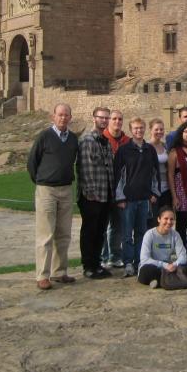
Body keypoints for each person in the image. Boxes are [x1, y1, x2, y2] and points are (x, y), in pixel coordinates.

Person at [27, 103, 79, 290]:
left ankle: (60, 272)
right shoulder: (45, 136)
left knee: (64, 234)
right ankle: (42, 275)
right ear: (53, 117)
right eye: (60, 115)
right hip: (47, 189)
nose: (63, 118)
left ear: (70, 117)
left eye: (66, 115)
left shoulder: (73, 139)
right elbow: (32, 162)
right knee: (45, 234)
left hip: (66, 189)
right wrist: (42, 180)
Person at [114, 117, 160, 277]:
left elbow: (155, 174)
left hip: (144, 199)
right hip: (128, 199)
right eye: (135, 128)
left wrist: (154, 193)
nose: (139, 131)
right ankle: (128, 263)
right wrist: (120, 198)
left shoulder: (150, 150)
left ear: (144, 129)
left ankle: (139, 261)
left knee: (142, 232)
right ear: (131, 130)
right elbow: (118, 176)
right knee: (127, 234)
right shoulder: (124, 150)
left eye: (141, 128)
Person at [76, 106, 115, 280]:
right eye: (101, 118)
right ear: (94, 118)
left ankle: (97, 263)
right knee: (89, 231)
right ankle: (88, 266)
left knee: (100, 231)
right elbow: (85, 169)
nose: (104, 121)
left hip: (105, 194)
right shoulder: (87, 141)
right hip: (92, 195)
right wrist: (90, 193)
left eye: (107, 118)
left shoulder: (104, 141)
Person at [137, 206, 187, 289]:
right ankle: (179, 280)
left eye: (171, 219)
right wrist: (164, 265)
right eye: (166, 219)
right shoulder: (149, 234)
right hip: (156, 267)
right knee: (146, 271)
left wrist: (174, 264)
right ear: (159, 219)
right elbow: (144, 259)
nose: (169, 222)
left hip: (170, 268)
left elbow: (183, 256)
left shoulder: (175, 235)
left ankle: (160, 282)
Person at [101, 109, 128, 269]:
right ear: (109, 121)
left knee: (117, 225)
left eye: (120, 119)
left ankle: (115, 256)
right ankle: (103, 257)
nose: (117, 122)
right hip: (104, 189)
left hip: (121, 191)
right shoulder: (101, 138)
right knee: (103, 226)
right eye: (114, 119)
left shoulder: (126, 141)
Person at [149, 118, 170, 227]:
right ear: (150, 130)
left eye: (161, 129)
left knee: (165, 220)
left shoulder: (165, 146)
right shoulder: (147, 147)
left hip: (166, 188)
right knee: (153, 221)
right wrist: (150, 192)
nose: (159, 132)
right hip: (154, 190)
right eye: (156, 129)